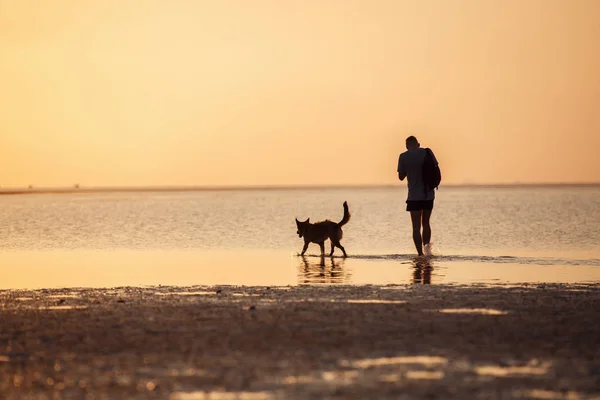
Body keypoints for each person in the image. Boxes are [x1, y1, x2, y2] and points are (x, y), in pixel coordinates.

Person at [397, 136, 439, 256]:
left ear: (406, 146)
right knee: (426, 223)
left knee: (416, 227)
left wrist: (409, 169)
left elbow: (401, 177)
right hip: (428, 194)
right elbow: (435, 168)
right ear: (418, 144)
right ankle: (428, 253)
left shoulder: (403, 156)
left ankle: (420, 254)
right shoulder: (427, 152)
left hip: (414, 196)